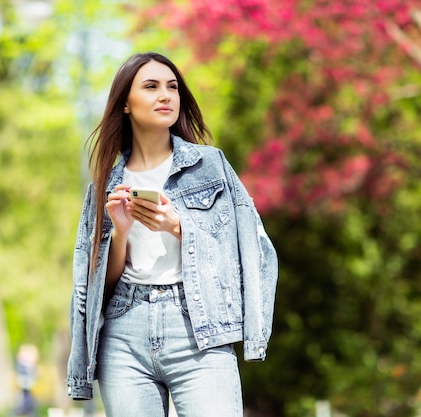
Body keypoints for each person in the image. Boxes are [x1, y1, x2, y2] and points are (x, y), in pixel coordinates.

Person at [66, 52, 278, 417]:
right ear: (126, 105)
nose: (166, 95)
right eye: (151, 87)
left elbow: (252, 250)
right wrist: (120, 230)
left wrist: (176, 226)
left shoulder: (210, 166)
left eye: (172, 87)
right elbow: (100, 285)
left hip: (199, 331)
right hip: (124, 333)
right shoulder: (105, 187)